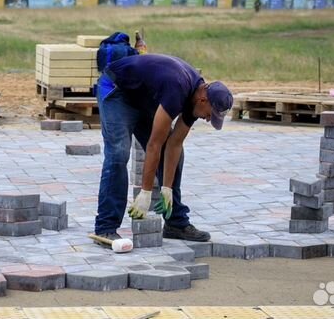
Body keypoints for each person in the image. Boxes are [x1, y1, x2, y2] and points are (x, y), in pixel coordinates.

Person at [94, 54, 233, 242]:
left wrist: (166, 188)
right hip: (117, 90)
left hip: (143, 97)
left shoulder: (195, 99)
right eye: (210, 114)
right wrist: (146, 192)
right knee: (118, 152)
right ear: (203, 100)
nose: (208, 119)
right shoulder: (177, 89)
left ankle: (175, 223)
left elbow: (174, 144)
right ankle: (105, 226)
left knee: (176, 154)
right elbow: (154, 145)